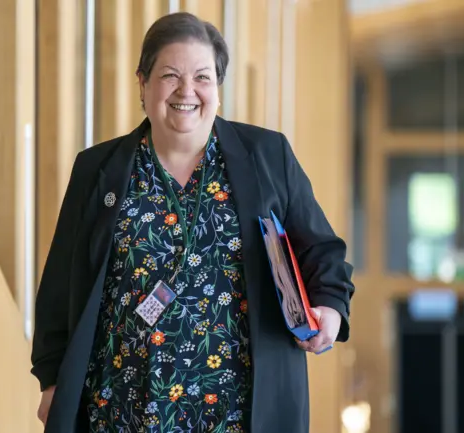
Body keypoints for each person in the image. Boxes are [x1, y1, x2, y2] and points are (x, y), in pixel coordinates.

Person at [31, 12, 355, 433]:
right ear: (143, 84)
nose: (187, 91)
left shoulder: (267, 156)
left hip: (236, 411)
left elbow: (321, 250)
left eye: (203, 77)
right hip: (119, 407)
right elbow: (60, 282)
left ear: (218, 89)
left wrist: (328, 310)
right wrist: (53, 379)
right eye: (170, 75)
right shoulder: (97, 169)